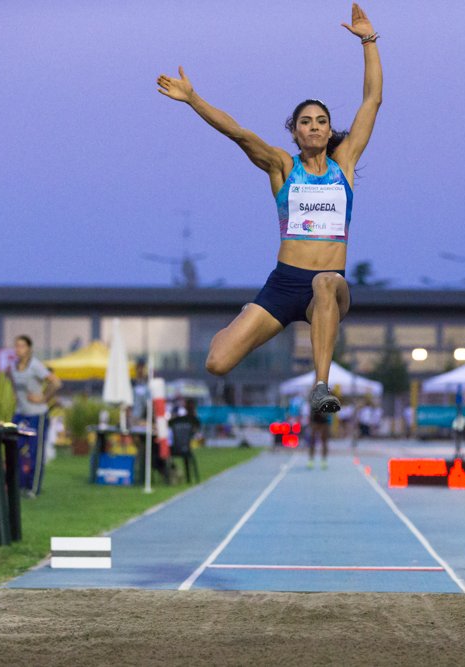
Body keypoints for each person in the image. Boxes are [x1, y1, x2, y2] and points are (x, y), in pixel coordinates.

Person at [157, 2, 382, 416]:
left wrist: (368, 40)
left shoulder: (344, 165)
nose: (314, 126)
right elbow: (238, 133)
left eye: (321, 121)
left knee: (324, 282)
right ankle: (248, 315)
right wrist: (193, 99)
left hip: (328, 288)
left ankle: (320, 385)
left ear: (330, 130)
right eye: (305, 122)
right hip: (283, 283)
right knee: (218, 362)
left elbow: (371, 101)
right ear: (294, 132)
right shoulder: (282, 167)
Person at [10, 335, 61, 496]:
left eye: (22, 346)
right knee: (14, 447)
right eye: (17, 346)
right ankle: (18, 484)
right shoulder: (13, 367)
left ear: (29, 349)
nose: (19, 349)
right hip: (20, 413)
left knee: (35, 451)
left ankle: (33, 488)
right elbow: (16, 387)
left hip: (36, 414)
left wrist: (44, 398)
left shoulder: (35, 366)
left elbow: (56, 382)